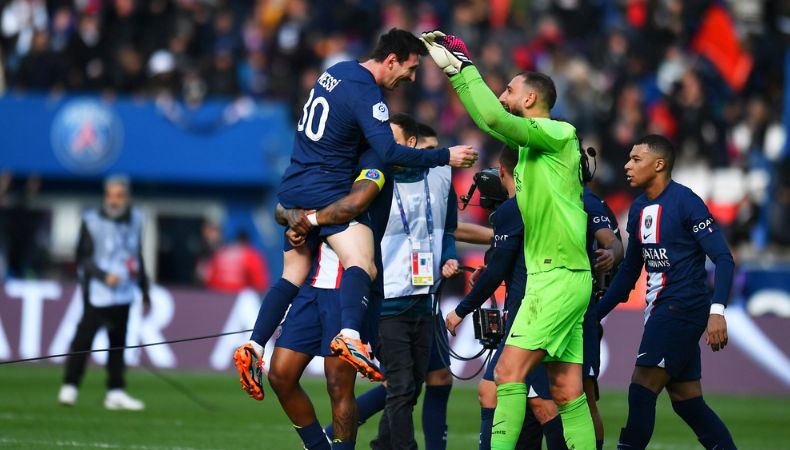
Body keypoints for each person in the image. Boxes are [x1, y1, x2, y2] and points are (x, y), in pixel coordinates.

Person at [234, 28, 477, 391]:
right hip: (327, 188)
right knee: (362, 263)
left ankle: (254, 345)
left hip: (295, 184)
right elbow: (389, 151)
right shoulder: (368, 92)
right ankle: (349, 335)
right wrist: (445, 156)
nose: (411, 78)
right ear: (391, 60)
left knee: (292, 274)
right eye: (410, 69)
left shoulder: (336, 71)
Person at [423, 32, 595, 448]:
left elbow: (495, 119)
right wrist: (457, 77)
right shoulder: (533, 147)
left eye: (509, 90)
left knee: (506, 374)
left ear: (531, 99)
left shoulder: (558, 133)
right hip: (561, 276)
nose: (501, 96)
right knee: (566, 392)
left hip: (555, 277)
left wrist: (466, 69)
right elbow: (490, 121)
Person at [596, 134, 737, 450]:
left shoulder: (686, 202)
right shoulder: (638, 208)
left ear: (659, 165)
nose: (627, 165)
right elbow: (629, 272)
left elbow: (724, 258)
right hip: (661, 310)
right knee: (688, 401)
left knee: (642, 387)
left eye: (636, 159)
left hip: (682, 307)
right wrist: (595, 314)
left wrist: (717, 311)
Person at [446, 148, 567, 450]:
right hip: (547, 306)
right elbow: (509, 258)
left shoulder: (514, 209)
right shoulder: (552, 203)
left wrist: (461, 310)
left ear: (502, 171)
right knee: (509, 393)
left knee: (538, 401)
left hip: (529, 314)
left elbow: (497, 270)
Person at [369, 113, 460, 450]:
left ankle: (381, 446)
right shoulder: (371, 179)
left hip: (425, 302)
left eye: (390, 139)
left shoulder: (441, 176)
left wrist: (449, 255)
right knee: (401, 386)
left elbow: (448, 229)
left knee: (411, 389)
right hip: (386, 303)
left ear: (410, 143)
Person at [57, 175, 150, 411]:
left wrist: (144, 289)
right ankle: (70, 386)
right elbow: (82, 258)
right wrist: (102, 275)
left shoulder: (137, 219)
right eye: (111, 195)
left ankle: (115, 391)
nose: (114, 200)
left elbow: (137, 254)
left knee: (118, 343)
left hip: (124, 292)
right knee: (83, 341)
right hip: (98, 293)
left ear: (127, 197)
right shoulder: (91, 221)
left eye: (119, 196)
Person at [581, 186, 624, 450]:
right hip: (549, 309)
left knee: (583, 396)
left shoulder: (588, 201)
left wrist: (596, 312)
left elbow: (615, 246)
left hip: (580, 313)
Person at [203, 230, 269, 293]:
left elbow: (209, 280)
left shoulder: (219, 253)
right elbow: (260, 283)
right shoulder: (249, 254)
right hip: (237, 297)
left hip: (216, 295)